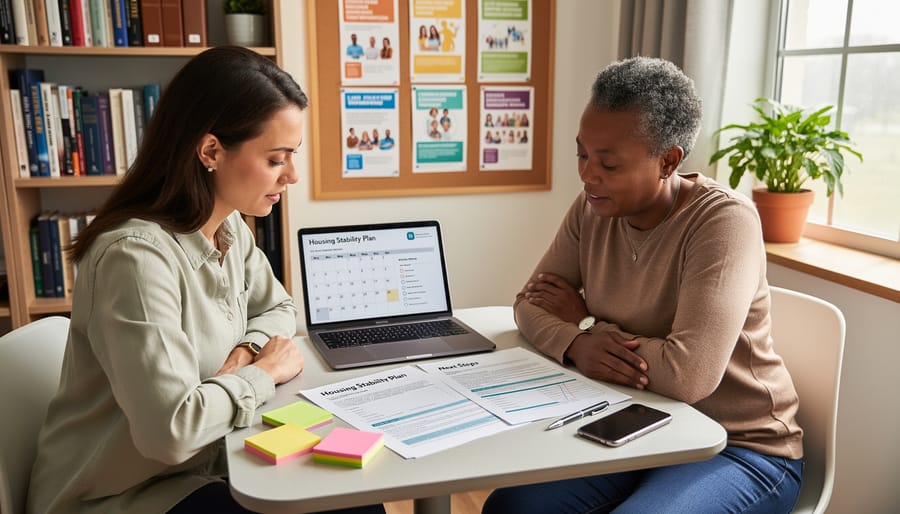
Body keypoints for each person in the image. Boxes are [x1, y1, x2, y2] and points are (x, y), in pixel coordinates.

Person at [26, 46, 385, 514]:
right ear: (211, 150)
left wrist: (247, 350)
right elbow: (171, 432)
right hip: (127, 496)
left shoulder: (227, 225)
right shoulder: (135, 260)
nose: (293, 175)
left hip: (210, 461)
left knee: (355, 497)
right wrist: (263, 373)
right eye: (277, 159)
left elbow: (278, 308)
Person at [482, 56, 803, 514]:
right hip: (640, 420)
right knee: (513, 508)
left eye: (608, 164)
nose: (587, 174)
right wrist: (574, 342)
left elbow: (688, 375)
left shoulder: (722, 221)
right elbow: (528, 304)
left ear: (668, 161)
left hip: (741, 446)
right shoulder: (592, 206)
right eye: (582, 153)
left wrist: (591, 329)